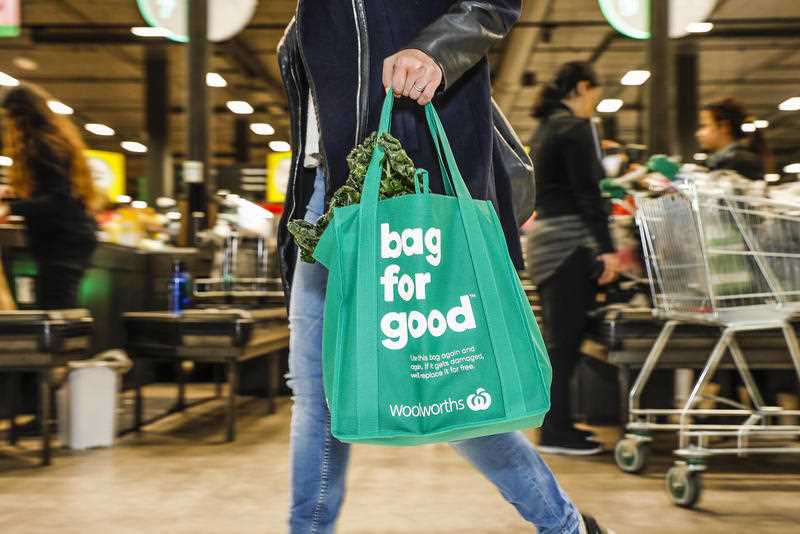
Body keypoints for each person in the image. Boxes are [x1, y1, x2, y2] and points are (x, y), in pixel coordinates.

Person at [277, 4, 612, 534]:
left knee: (448, 385)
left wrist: (435, 49)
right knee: (318, 390)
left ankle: (562, 524)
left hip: (409, 181)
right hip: (327, 197)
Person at [526, 61, 620, 455]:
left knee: (559, 340)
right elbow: (589, 195)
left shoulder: (545, 129)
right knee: (565, 342)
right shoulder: (576, 129)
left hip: (546, 242)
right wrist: (608, 249)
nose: (594, 104)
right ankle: (555, 431)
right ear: (583, 87)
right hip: (568, 243)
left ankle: (558, 424)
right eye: (594, 94)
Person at [0, 84, 99, 309]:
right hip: (70, 238)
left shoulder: (42, 145)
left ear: (21, 116)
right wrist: (12, 197)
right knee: (57, 307)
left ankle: (64, 345)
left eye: (9, 118)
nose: (8, 126)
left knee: (55, 309)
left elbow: (59, 201)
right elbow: (54, 192)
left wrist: (11, 209)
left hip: (64, 242)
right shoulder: (54, 139)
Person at [696, 97, 769, 180]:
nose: (698, 134)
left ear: (724, 127)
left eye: (704, 126)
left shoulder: (744, 163)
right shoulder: (710, 164)